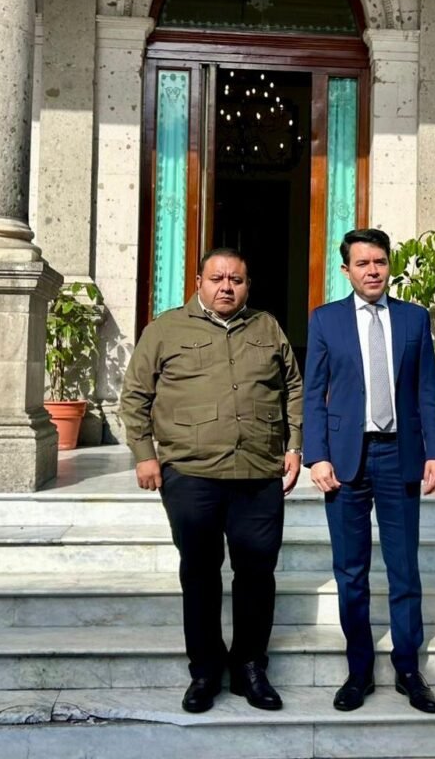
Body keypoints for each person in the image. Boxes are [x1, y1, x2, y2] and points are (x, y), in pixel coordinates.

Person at [119, 247, 303, 714]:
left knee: (256, 573)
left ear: (247, 285)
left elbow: (294, 388)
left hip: (258, 473)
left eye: (236, 280)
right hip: (191, 474)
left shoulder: (267, 327)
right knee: (200, 573)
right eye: (217, 278)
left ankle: (250, 667)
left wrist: (295, 446)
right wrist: (145, 456)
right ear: (198, 282)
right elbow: (135, 396)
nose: (226, 287)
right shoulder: (165, 329)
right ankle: (204, 670)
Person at [302, 228, 435, 714]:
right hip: (346, 459)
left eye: (380, 262)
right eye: (362, 263)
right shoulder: (325, 320)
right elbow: (313, 394)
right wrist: (317, 455)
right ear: (346, 270)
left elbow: (427, 389)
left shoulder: (413, 318)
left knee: (404, 568)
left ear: (390, 266)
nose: (372, 271)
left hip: (399, 454)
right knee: (351, 571)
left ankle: (408, 668)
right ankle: (359, 670)